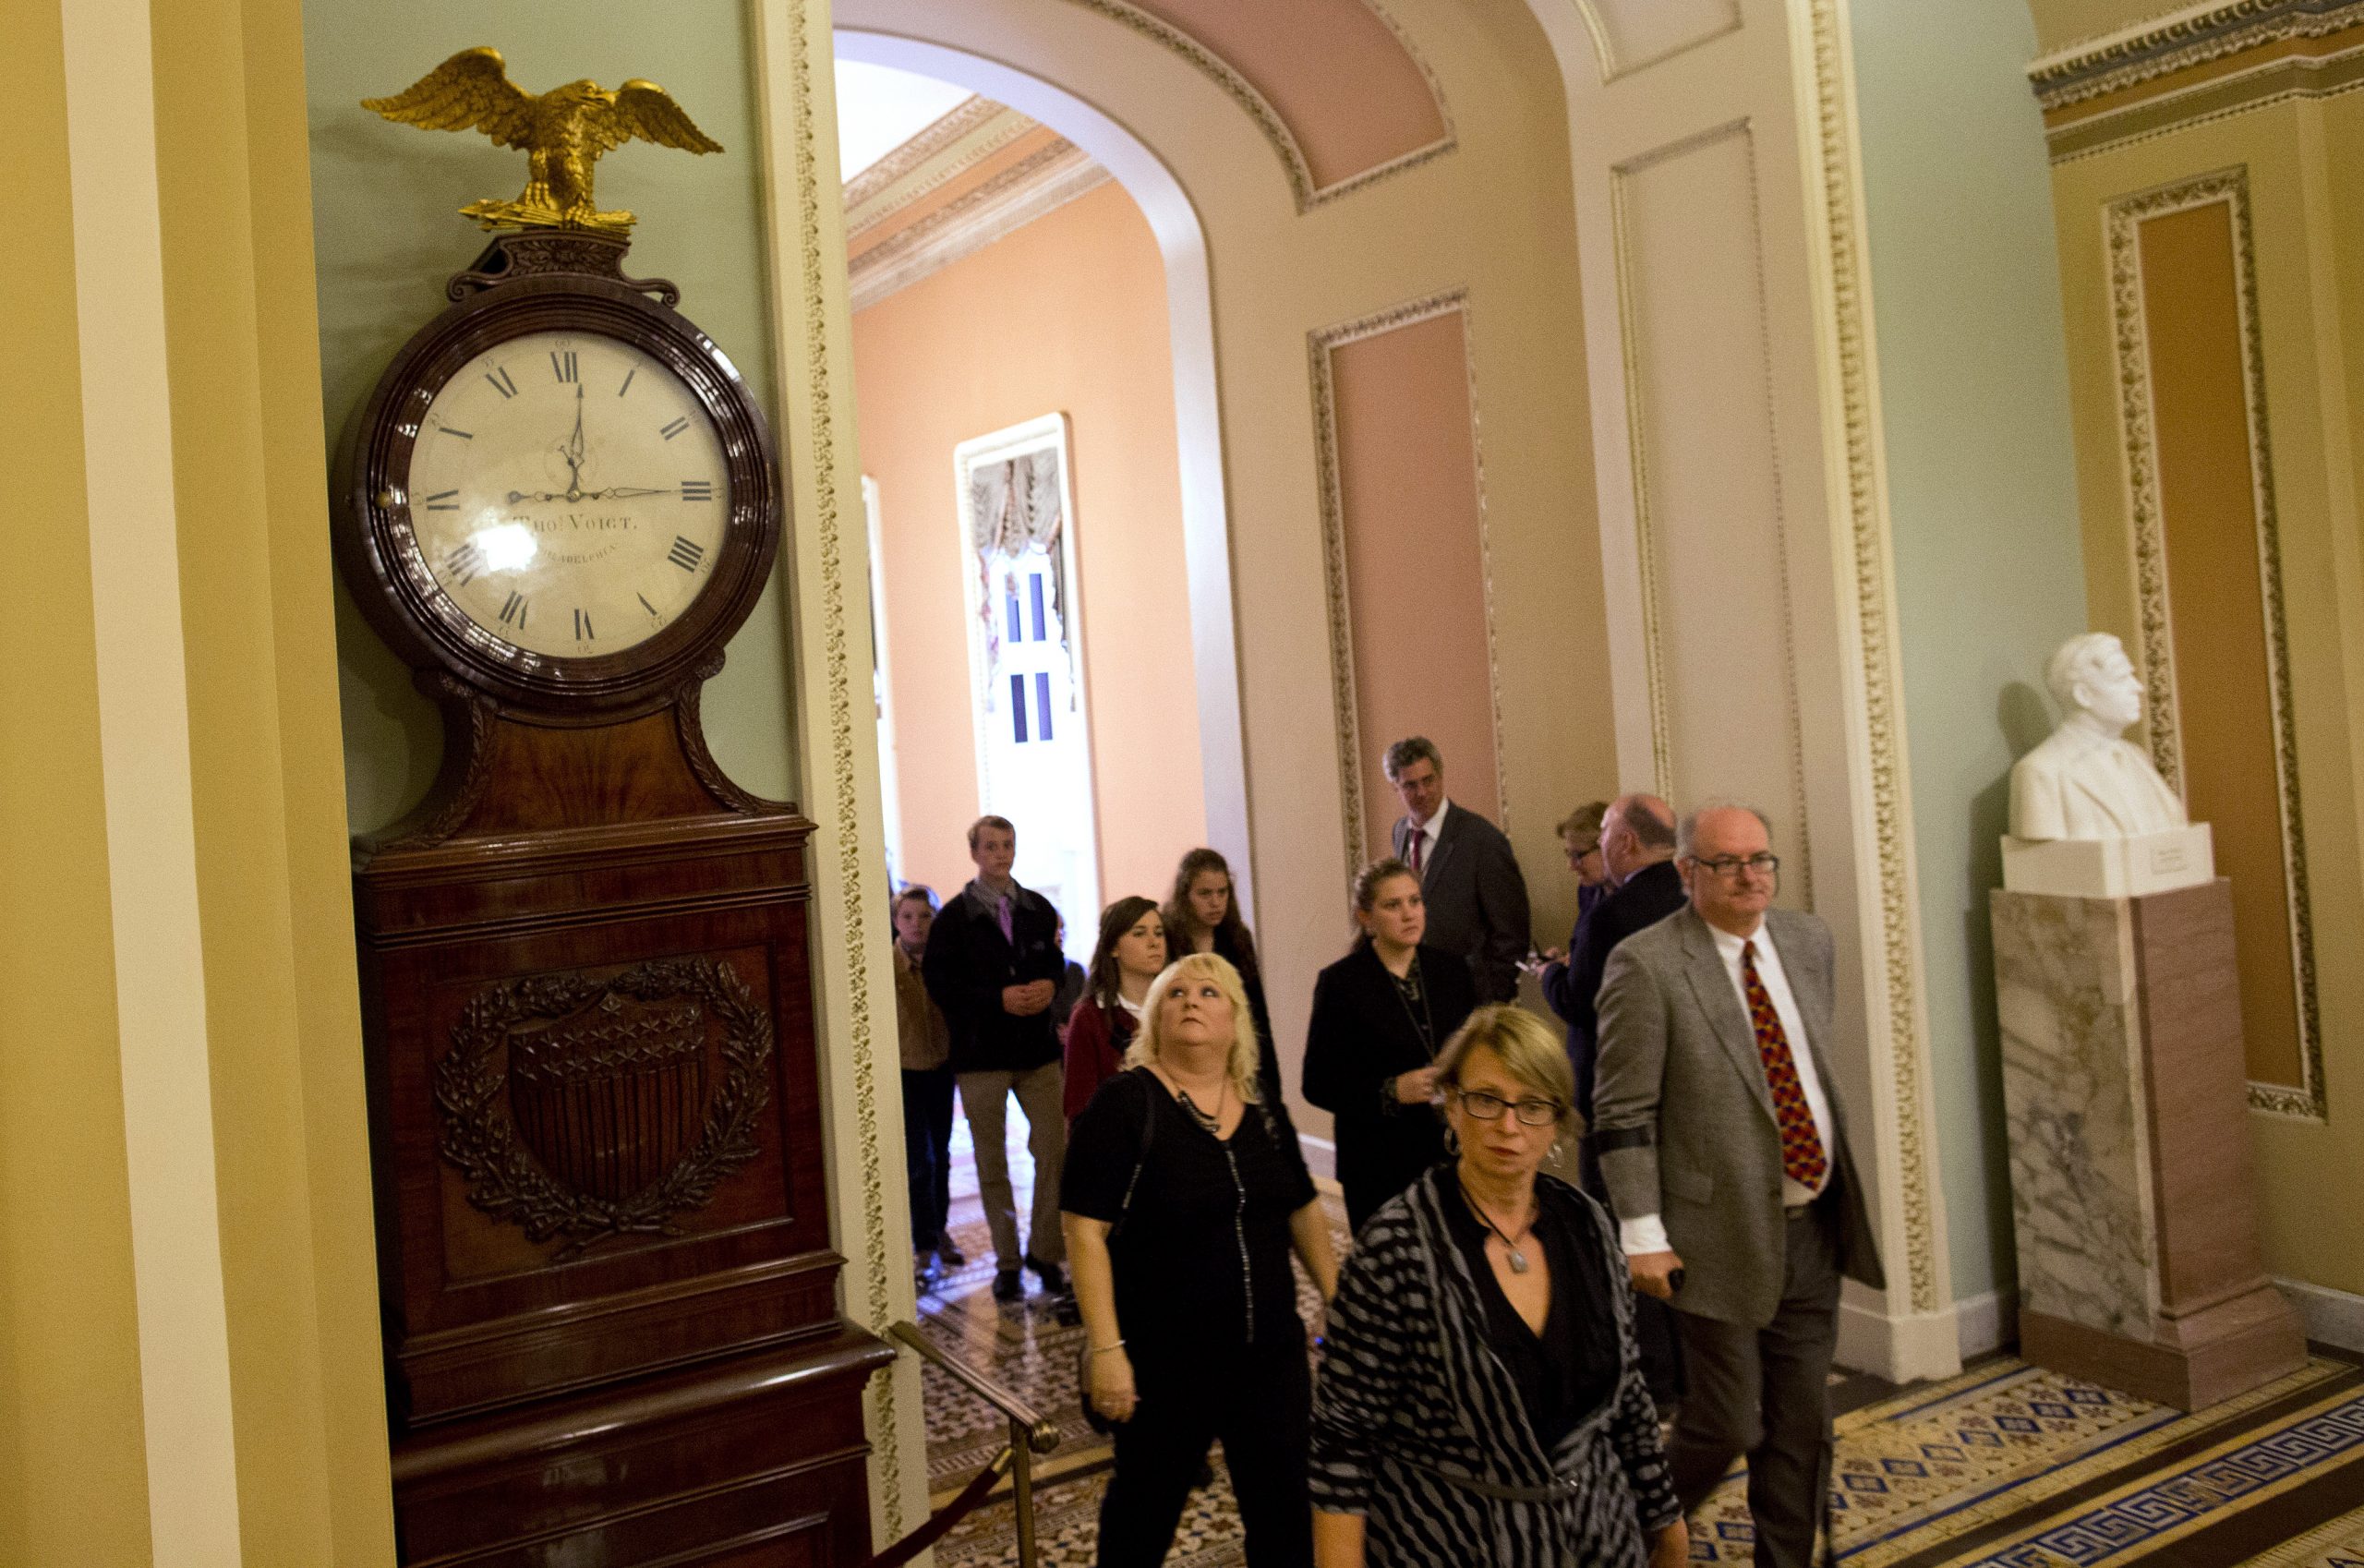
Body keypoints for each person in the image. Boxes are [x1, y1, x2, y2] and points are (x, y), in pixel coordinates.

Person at [1594, 803, 1887, 1568]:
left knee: (1799, 1423)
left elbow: (1801, 1069)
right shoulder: (1647, 964)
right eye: (1728, 863)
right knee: (1725, 1422)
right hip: (1712, 1237)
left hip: (1811, 1226)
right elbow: (1623, 1112)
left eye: (1761, 859)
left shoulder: (1808, 941)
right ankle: (1628, 1539)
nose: (1750, 876)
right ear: (1687, 871)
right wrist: (1642, 1233)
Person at [1309, 1004, 1686, 1568]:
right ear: (1451, 1105)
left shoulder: (1587, 1226)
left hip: (1596, 1535)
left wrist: (1666, 1521)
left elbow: (1627, 1395)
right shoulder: (1396, 1245)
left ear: (1556, 1122)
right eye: (1486, 1100)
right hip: (1449, 1540)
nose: (1508, 1126)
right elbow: (1344, 1433)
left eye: (1531, 1106)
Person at [1063, 952, 1339, 1568]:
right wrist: (1106, 1350)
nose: (1191, 1000)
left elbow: (1301, 1206)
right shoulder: (1124, 1104)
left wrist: (1336, 1298)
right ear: (1154, 1018)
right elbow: (1083, 1230)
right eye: (1176, 992)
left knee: (1285, 1519)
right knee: (1142, 1518)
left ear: (1236, 1020)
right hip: (1166, 1361)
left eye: (1210, 993)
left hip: (1270, 1354)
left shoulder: (1261, 1106)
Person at [1535, 794, 1687, 1405]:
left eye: (1598, 838)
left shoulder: (1612, 916)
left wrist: (1550, 974)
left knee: (1624, 1227)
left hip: (1614, 1091)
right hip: (1678, 1091)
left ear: (1624, 843)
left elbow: (1581, 1002)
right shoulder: (1689, 896)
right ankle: (1687, 1370)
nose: (1590, 853)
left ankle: (1651, 1374)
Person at [921, 815, 1072, 1303]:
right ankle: (1007, 1262)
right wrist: (996, 999)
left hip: (1037, 1053)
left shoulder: (1038, 909)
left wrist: (1050, 986)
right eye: (991, 846)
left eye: (1008, 845)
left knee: (1054, 1149)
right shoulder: (952, 920)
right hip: (980, 1056)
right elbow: (940, 985)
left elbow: (1057, 964)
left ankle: (1044, 1251)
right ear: (975, 853)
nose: (1001, 854)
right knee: (991, 1163)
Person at [1302, 857, 1478, 1232]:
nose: (1409, 914)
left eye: (1415, 901)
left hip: (1450, 1150)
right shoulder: (1341, 984)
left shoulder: (1452, 972)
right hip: (1377, 1158)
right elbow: (1317, 1083)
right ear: (1366, 918)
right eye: (1393, 905)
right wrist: (1392, 1091)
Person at [1383, 736, 1532, 1001]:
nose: (1422, 792)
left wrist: (1491, 997)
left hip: (1470, 996)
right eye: (1410, 785)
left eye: (1428, 780)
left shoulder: (1482, 840)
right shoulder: (1400, 832)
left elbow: (1512, 932)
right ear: (1395, 786)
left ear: (1441, 776)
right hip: (1418, 996)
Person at [2008, 631, 2188, 839]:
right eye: (2121, 678)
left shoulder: (2137, 757)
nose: (2138, 687)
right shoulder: (2040, 772)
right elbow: (2042, 855)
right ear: (2083, 695)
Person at [1162, 847, 1283, 1103]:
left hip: (1234, 1055)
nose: (1216, 902)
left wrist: (1272, 1087)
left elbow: (1256, 1012)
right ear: (1186, 895)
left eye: (1222, 892)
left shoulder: (1237, 938)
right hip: (1186, 1058)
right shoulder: (1167, 939)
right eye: (1205, 893)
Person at [893, 885, 963, 1284]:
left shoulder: (946, 963)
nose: (916, 924)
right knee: (919, 1161)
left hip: (940, 1068)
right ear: (895, 920)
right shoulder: (885, 966)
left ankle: (940, 1230)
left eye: (924, 916)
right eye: (907, 917)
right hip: (904, 1072)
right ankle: (924, 1246)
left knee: (943, 1154)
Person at [1063, 897, 1165, 1124]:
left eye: (1159, 933)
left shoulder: (1174, 1005)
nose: (1154, 942)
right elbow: (1079, 1107)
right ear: (1113, 947)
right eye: (1139, 933)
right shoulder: (1089, 1017)